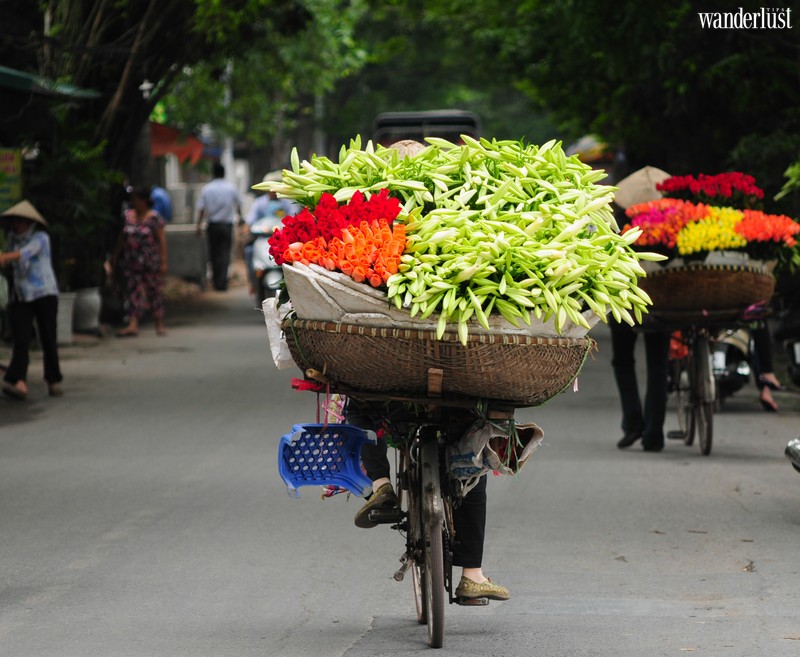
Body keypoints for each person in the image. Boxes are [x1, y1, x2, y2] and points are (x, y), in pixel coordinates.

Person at [347, 399, 510, 602]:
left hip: (390, 399)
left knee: (357, 407)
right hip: (453, 397)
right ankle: (472, 574)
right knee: (472, 464)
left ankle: (381, 484)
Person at [610, 166, 672, 452]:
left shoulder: (617, 217)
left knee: (623, 360)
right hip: (662, 297)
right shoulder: (672, 221)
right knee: (658, 363)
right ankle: (654, 432)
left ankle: (633, 423)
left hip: (624, 297)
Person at [0, 200, 64, 400]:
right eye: (14, 221)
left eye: (20, 221)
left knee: (47, 337)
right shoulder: (11, 240)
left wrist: (4, 258)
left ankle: (53, 380)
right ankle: (18, 381)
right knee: (21, 339)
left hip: (44, 293)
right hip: (22, 295)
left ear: (29, 222)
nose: (16, 225)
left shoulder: (40, 238)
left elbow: (23, 254)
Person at [109, 186, 167, 337]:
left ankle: (159, 323)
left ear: (144, 201)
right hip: (131, 261)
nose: (133, 202)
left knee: (154, 291)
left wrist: (163, 262)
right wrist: (115, 255)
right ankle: (133, 324)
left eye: (136, 199)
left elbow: (161, 241)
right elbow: (122, 237)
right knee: (132, 291)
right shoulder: (128, 216)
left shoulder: (154, 218)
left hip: (150, 261)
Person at [243, 170, 300, 294]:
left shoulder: (287, 202)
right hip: (262, 238)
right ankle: (252, 282)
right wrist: (247, 229)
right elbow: (249, 221)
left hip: (283, 239)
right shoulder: (259, 203)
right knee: (248, 251)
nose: (273, 190)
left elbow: (294, 218)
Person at [195, 162, 242, 291]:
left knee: (214, 253)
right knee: (225, 252)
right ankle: (222, 281)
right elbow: (238, 205)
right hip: (226, 225)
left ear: (213, 173)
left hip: (212, 225)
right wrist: (240, 218)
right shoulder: (231, 188)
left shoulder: (207, 189)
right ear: (224, 173)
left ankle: (216, 281)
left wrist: (198, 225)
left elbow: (201, 209)